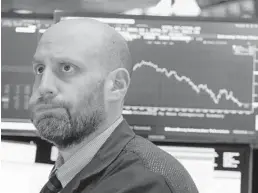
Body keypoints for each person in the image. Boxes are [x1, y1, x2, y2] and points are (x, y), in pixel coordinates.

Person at [29, 18, 198, 193]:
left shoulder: (145, 184)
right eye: (40, 69)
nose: (44, 87)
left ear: (116, 85)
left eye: (66, 68)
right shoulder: (72, 172)